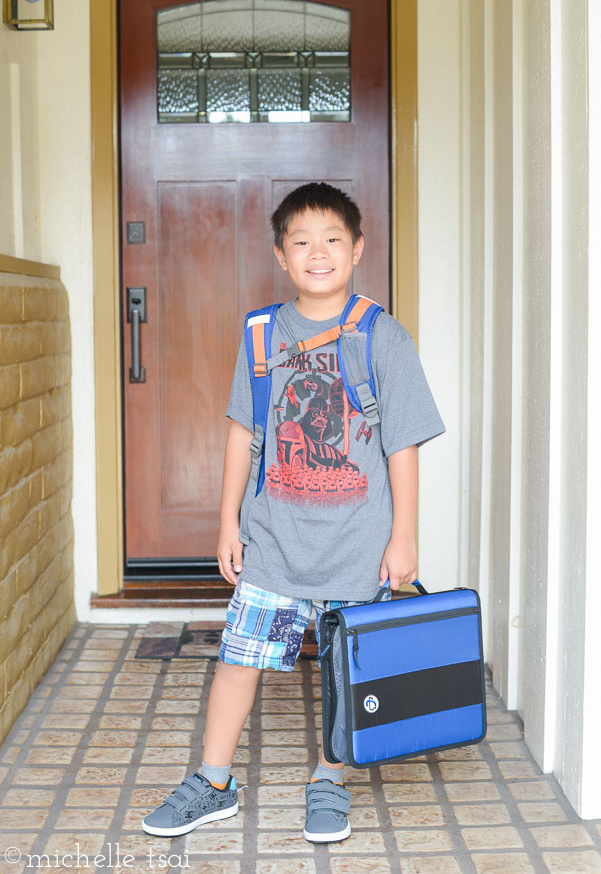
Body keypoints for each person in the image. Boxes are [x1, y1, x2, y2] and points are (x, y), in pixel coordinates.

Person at [142, 182, 445, 843]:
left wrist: (403, 537)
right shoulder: (260, 334)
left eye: (332, 239)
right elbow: (241, 434)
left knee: (344, 671)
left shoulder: (382, 337)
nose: (317, 252)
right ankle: (212, 782)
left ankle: (328, 780)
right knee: (239, 659)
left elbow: (402, 444)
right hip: (273, 542)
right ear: (281, 255)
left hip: (357, 545)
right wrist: (227, 522)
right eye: (301, 241)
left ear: (357, 248)